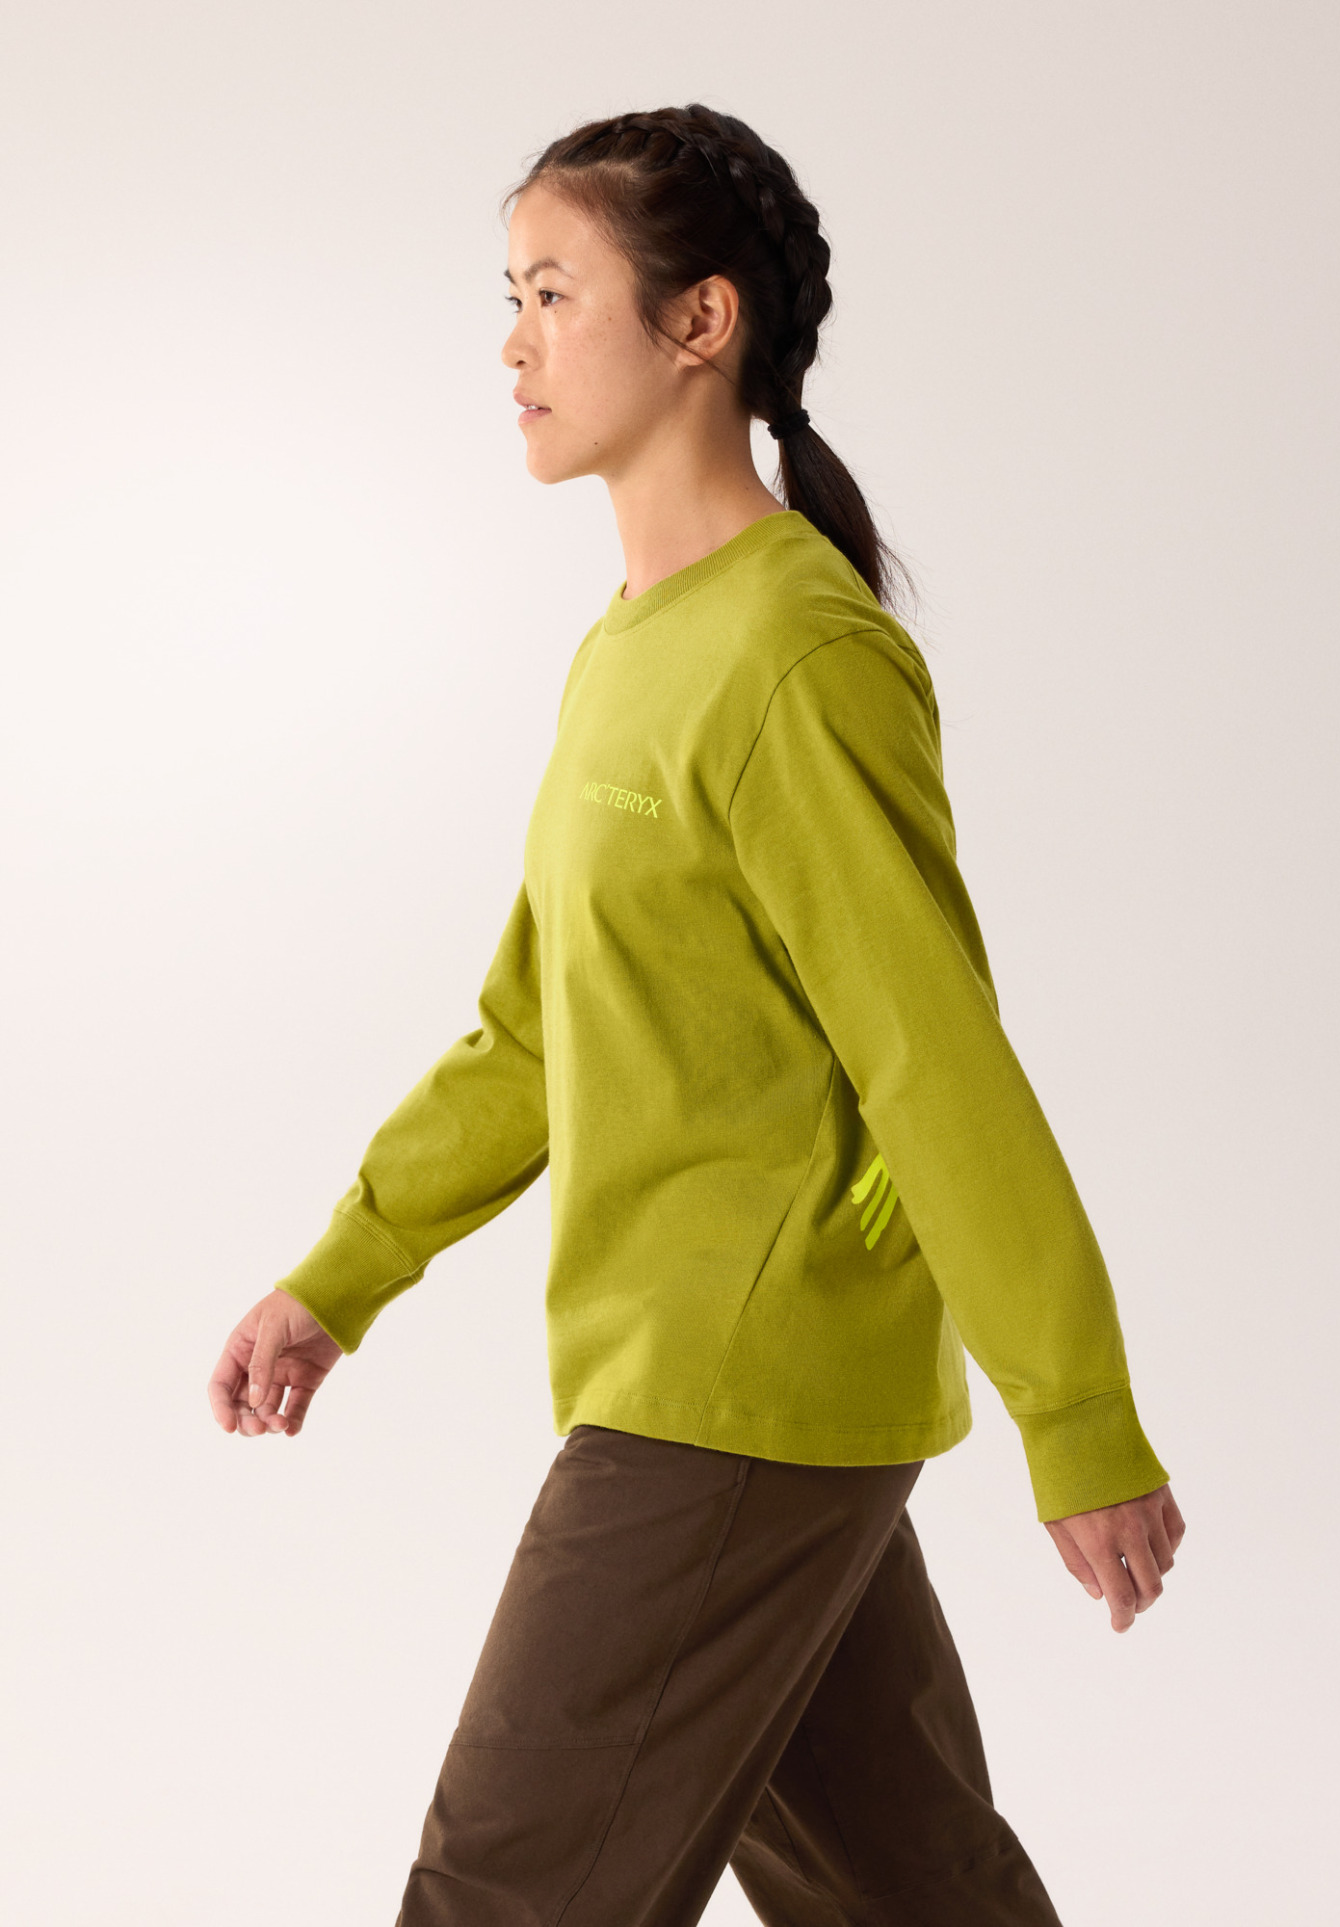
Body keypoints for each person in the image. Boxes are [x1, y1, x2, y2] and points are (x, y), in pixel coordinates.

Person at [208, 104, 1186, 1926]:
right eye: (507, 296)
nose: (512, 343)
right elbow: (533, 1032)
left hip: (731, 1391)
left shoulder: (793, 655)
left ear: (698, 323)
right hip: (724, 1390)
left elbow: (930, 1058)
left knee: (504, 1892)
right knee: (914, 1892)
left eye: (552, 292)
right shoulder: (634, 646)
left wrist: (1077, 1419)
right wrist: (340, 1274)